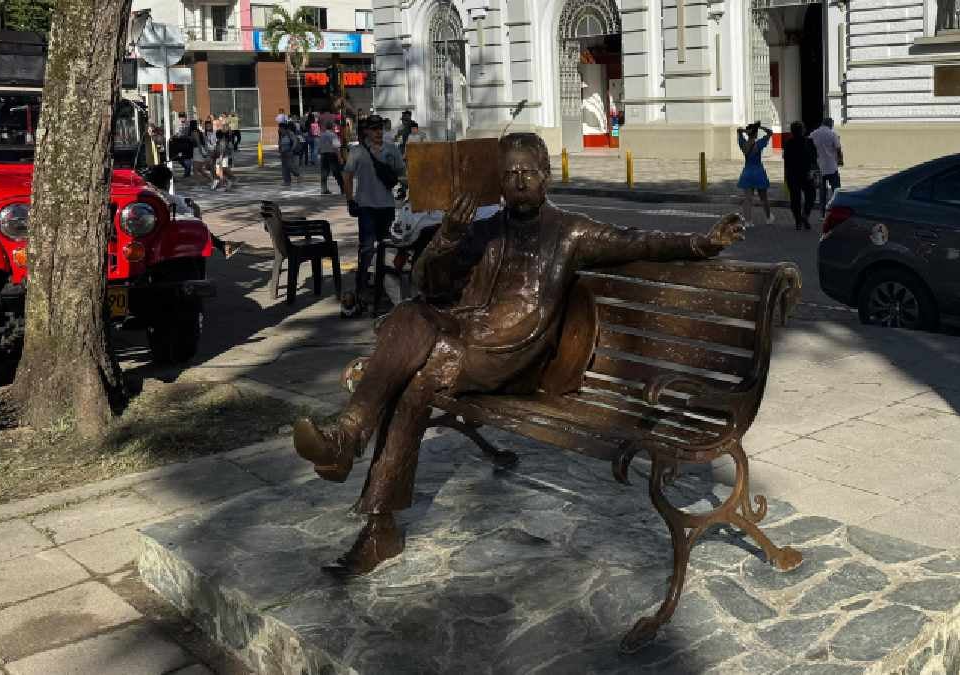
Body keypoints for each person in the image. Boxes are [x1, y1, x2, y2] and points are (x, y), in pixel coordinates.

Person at [292, 132, 746, 575]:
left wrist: (700, 243)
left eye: (529, 172)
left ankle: (355, 453)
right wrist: (448, 235)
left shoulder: (571, 232)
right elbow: (429, 283)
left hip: (514, 359)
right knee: (413, 333)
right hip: (466, 343)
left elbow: (639, 240)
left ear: (547, 176)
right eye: (510, 175)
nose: (521, 181)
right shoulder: (486, 231)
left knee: (416, 368)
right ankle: (363, 479)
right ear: (500, 183)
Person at [343, 114, 405, 307]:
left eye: (380, 128)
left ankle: (386, 288)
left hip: (387, 207)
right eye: (374, 128)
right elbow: (347, 176)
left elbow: (402, 173)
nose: (378, 132)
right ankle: (361, 288)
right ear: (367, 131)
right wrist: (350, 200)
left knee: (388, 250)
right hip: (366, 207)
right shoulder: (357, 151)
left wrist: (403, 187)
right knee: (367, 249)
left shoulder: (391, 150)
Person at [144, 164, 242, 258]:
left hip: (150, 237)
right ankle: (221, 245)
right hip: (171, 238)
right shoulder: (175, 200)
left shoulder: (142, 200)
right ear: (167, 183)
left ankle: (222, 245)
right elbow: (193, 218)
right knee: (195, 222)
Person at [737, 122, 775, 226]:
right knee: (764, 198)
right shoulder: (759, 144)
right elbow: (770, 133)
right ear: (756, 133)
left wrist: (745, 131)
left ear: (748, 133)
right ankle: (768, 218)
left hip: (747, 172)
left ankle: (748, 221)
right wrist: (759, 127)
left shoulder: (743, 143)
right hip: (758, 173)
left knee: (748, 199)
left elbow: (738, 130)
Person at [782, 121, 817, 230]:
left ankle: (798, 221)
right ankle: (805, 215)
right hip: (806, 174)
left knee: (795, 199)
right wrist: (813, 172)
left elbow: (786, 160)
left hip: (792, 175)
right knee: (811, 196)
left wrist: (786, 176)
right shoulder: (809, 142)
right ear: (803, 130)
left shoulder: (788, 143)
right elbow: (814, 158)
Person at [809, 117, 843, 215]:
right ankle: (836, 211)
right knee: (836, 190)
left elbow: (810, 148)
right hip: (832, 166)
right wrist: (840, 160)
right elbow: (838, 149)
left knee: (822, 191)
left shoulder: (813, 134)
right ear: (830, 124)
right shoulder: (832, 134)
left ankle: (822, 214)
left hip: (819, 167)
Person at [318, 123, 344, 194]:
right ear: (332, 127)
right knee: (336, 172)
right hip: (331, 154)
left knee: (324, 173)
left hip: (323, 154)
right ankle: (343, 188)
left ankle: (324, 189)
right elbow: (336, 146)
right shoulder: (333, 135)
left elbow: (319, 147)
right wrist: (340, 157)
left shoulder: (322, 135)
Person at [277, 122, 300, 187]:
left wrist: (292, 149)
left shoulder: (290, 133)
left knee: (289, 166)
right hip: (283, 152)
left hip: (289, 152)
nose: (279, 129)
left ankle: (297, 174)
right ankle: (287, 181)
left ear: (283, 128)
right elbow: (280, 143)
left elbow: (295, 141)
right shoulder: (281, 134)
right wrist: (280, 151)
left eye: (280, 128)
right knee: (284, 168)